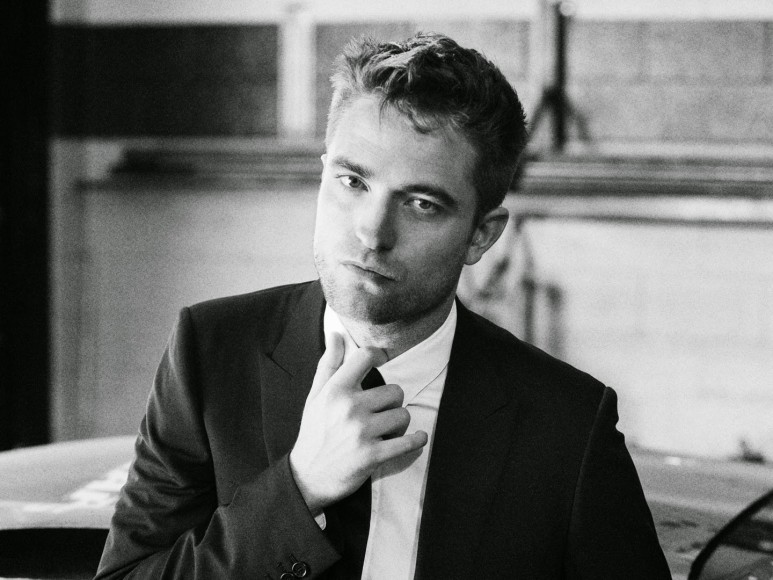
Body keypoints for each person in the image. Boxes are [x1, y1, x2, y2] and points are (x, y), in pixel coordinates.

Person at [96, 33, 670, 579]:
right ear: (323, 176)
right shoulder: (210, 353)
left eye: (421, 203)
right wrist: (300, 488)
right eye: (353, 182)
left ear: (481, 235)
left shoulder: (567, 424)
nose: (373, 232)